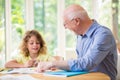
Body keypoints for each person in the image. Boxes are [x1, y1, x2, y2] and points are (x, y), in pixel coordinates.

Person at [36, 4, 118, 80]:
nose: (65, 27)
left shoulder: (103, 34)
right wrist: (61, 66)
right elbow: (80, 64)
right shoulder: (80, 36)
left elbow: (87, 63)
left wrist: (53, 63)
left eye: (65, 24)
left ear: (76, 21)